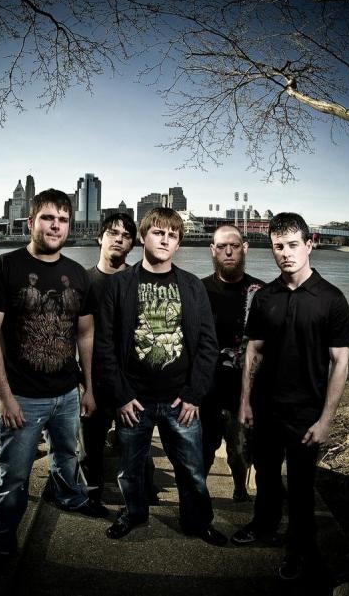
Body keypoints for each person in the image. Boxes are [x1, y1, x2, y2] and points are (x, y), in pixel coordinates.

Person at [0, 189, 99, 581]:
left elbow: (85, 335)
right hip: (22, 398)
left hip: (67, 394)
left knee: (66, 455)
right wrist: (4, 396)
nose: (55, 226)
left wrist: (89, 388)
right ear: (31, 222)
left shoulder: (78, 274)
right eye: (47, 218)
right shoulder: (4, 267)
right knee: (12, 477)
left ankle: (70, 496)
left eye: (62, 219)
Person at [231, 212, 349, 581]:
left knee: (301, 488)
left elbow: (340, 362)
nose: (285, 253)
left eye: (292, 245)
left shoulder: (332, 299)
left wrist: (326, 420)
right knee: (267, 477)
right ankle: (263, 524)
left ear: (309, 245)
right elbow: (253, 352)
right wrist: (245, 402)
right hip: (266, 408)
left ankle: (300, 548)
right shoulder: (265, 297)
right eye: (278, 247)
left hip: (306, 412)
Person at [95, 207, 226, 546]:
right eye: (158, 232)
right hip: (133, 401)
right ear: (142, 237)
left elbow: (208, 345)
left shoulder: (192, 286)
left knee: (192, 471)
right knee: (130, 469)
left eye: (172, 235)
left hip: (180, 401)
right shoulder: (119, 285)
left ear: (178, 243)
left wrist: (194, 394)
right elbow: (105, 346)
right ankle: (133, 513)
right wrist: (121, 395)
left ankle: (198, 521)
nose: (165, 240)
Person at [80, 212, 151, 514]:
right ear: (100, 237)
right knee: (89, 448)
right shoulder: (83, 281)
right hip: (93, 382)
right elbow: (74, 335)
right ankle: (92, 497)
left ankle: (142, 498)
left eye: (126, 235)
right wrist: (85, 387)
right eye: (112, 233)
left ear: (132, 244)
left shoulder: (141, 280)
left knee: (138, 449)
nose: (119, 239)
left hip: (132, 384)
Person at [201, 225, 264, 501]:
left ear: (245, 248)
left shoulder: (260, 293)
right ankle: (197, 497)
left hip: (244, 392)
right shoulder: (198, 290)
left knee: (240, 452)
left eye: (235, 246)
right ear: (212, 250)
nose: (228, 252)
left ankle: (240, 489)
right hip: (207, 392)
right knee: (202, 449)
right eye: (221, 246)